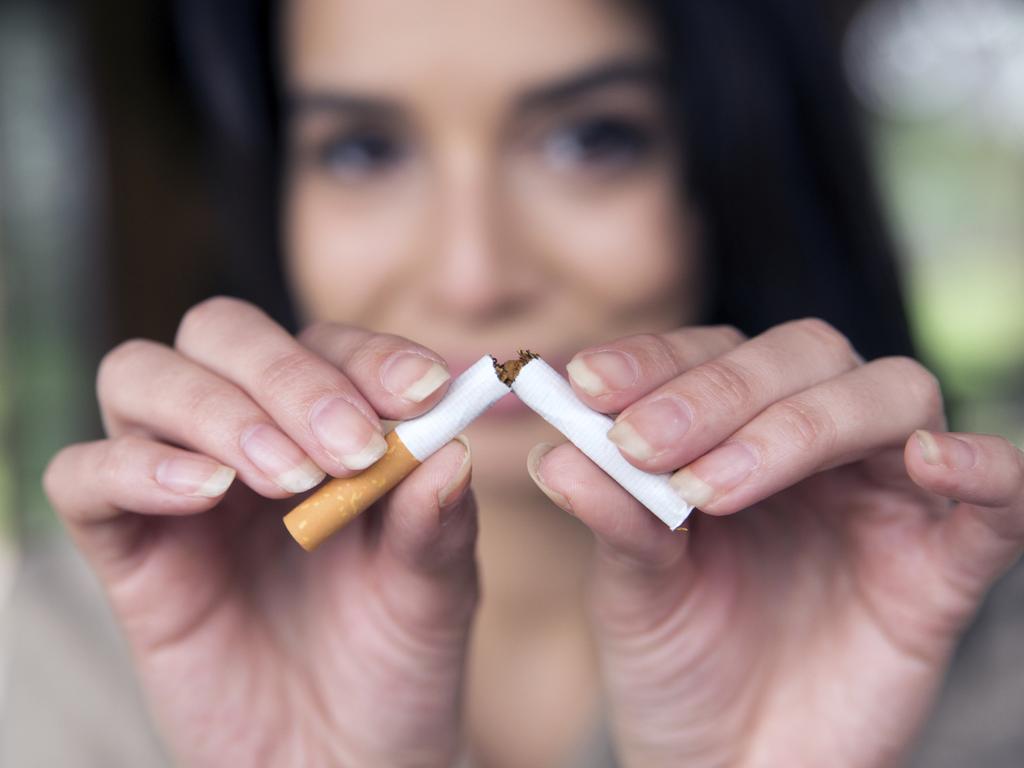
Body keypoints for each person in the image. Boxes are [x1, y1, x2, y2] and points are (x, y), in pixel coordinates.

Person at [41, 0, 1024, 765]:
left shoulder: (971, 649)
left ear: (726, 170)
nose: (475, 275)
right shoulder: (70, 658)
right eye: (363, 149)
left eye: (589, 139)